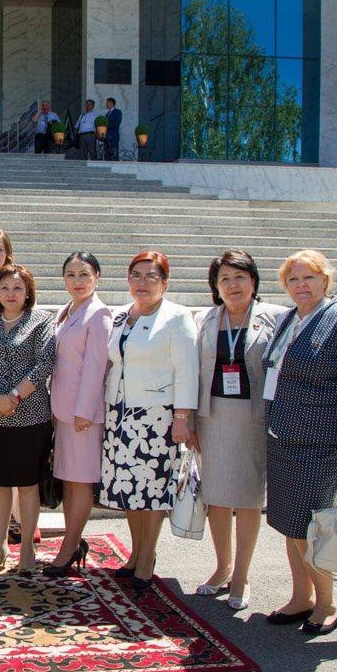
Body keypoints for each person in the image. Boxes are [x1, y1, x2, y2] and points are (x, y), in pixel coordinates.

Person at [260, 250, 337, 635]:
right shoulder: (289, 319)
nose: (301, 286)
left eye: (308, 278)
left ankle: (327, 603)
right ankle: (300, 598)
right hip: (282, 440)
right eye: (293, 279)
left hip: (319, 447)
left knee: (310, 530)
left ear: (326, 280)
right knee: (291, 527)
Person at [186, 250, 285, 610]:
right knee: (216, 496)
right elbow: (194, 370)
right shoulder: (205, 319)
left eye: (239, 277)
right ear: (215, 285)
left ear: (254, 281)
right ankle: (221, 566)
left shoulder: (275, 318)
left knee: (246, 498)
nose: (232, 284)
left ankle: (241, 573)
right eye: (224, 278)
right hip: (212, 416)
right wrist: (192, 418)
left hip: (253, 417)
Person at [100, 251, 198, 590]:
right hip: (119, 411)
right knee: (129, 488)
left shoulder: (177, 317)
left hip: (156, 416)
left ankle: (148, 555)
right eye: (136, 275)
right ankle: (135, 552)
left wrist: (183, 417)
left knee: (152, 488)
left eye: (150, 276)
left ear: (165, 282)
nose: (142, 283)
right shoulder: (119, 315)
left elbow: (187, 370)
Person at [0, 264, 56, 574]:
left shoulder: (42, 321)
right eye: (5, 288)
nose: (10, 294)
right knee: (1, 484)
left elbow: (43, 364)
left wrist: (14, 398)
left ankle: (29, 550)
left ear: (28, 292)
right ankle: (0, 547)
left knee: (28, 484)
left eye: (17, 288)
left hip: (31, 416)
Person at [44, 252, 111, 576]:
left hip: (83, 416)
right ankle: (72, 541)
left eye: (84, 274)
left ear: (97, 277)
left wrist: (84, 411)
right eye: (70, 274)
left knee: (81, 482)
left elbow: (97, 366)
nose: (77, 281)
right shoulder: (66, 310)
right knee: (69, 482)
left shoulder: (98, 314)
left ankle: (69, 547)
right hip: (64, 411)